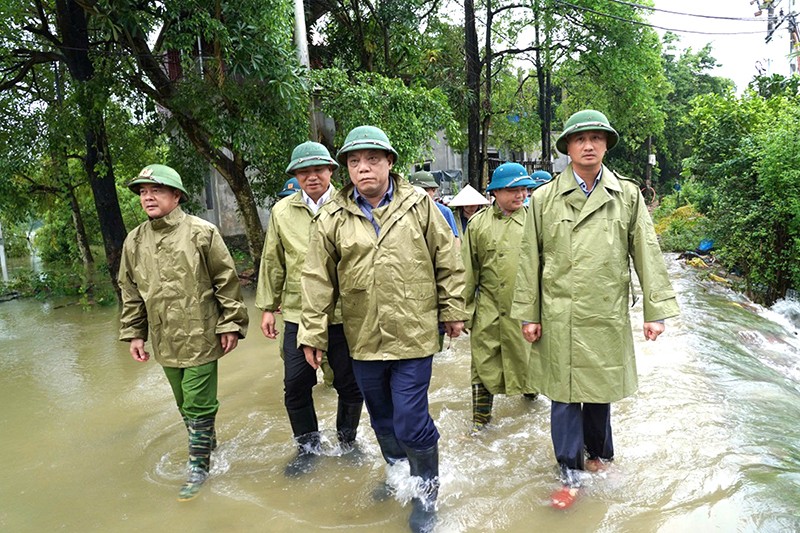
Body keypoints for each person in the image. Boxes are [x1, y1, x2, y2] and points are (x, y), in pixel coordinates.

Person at [297, 125, 468, 533]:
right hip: (363, 336)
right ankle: (398, 477)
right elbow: (317, 278)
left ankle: (427, 492)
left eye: (372, 160)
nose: (363, 168)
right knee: (381, 418)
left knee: (410, 418)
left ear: (390, 162)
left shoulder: (419, 205)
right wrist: (313, 334)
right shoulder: (333, 216)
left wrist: (453, 309)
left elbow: (447, 258)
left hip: (414, 332)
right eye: (354, 162)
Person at [512, 109, 680, 509]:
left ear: (606, 145)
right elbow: (529, 259)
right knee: (564, 394)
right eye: (580, 139)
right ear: (567, 147)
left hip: (605, 310)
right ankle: (569, 473)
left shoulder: (627, 195)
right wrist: (529, 313)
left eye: (597, 138)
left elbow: (646, 253)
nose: (589, 145)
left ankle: (600, 457)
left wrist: (653, 312)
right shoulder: (545, 198)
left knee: (599, 390)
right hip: (559, 312)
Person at [118, 164, 249, 501]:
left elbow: (226, 280)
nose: (147, 197)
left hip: (201, 334)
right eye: (143, 192)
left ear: (176, 196)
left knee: (198, 403)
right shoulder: (134, 241)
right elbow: (130, 291)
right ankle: (208, 444)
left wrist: (231, 323)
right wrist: (135, 333)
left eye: (156, 190)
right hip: (164, 338)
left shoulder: (201, 232)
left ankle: (198, 467)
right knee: (183, 404)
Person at [256, 141, 363, 477]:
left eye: (318, 169)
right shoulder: (282, 212)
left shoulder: (350, 205)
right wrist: (267, 307)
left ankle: (348, 442)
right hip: (297, 313)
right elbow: (273, 259)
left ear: (331, 171)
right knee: (296, 384)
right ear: (296, 175)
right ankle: (307, 448)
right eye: (304, 171)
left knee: (350, 384)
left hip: (343, 313)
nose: (312, 176)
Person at [462, 163, 539, 435]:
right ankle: (480, 425)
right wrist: (464, 313)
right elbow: (467, 272)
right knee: (482, 365)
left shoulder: (535, 220)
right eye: (513, 190)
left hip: (526, 312)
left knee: (531, 365)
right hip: (488, 310)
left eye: (523, 189)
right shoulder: (478, 224)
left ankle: (532, 410)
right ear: (496, 192)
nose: (520, 195)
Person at [409, 170, 460, 242]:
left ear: (434, 190)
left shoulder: (444, 212)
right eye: (417, 190)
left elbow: (455, 239)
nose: (421, 193)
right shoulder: (407, 211)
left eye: (425, 190)